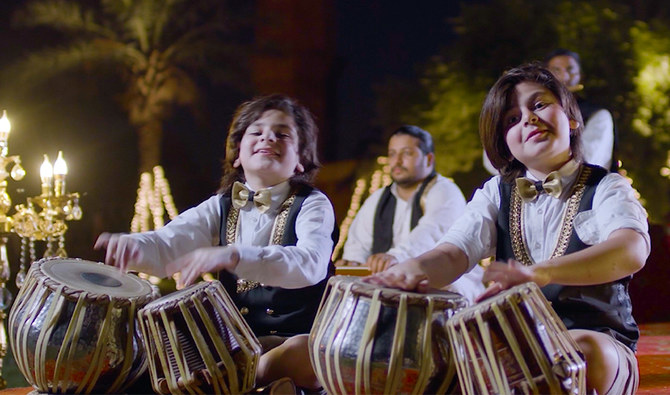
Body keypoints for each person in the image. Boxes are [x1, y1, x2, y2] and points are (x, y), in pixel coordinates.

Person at [367, 63, 649, 394]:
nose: (528, 118)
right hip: (515, 348)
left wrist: (541, 273)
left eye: (539, 104)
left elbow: (631, 249)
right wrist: (410, 271)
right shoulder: (495, 193)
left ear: (572, 120)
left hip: (598, 342)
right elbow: (454, 252)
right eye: (512, 119)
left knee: (583, 351)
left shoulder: (606, 186)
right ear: (505, 144)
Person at [94, 94, 335, 392]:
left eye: (282, 134)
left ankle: (243, 377)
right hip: (233, 344)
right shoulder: (219, 206)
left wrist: (232, 255)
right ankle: (246, 379)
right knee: (148, 345)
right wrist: (133, 247)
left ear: (300, 160)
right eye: (256, 132)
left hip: (295, 340)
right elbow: (168, 243)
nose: (268, 138)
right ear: (237, 155)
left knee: (311, 355)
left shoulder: (313, 205)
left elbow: (310, 265)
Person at [336, 125, 484, 303]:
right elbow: (358, 244)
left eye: (406, 153)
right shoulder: (377, 199)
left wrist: (396, 258)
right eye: (392, 154)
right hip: (388, 287)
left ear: (429, 159)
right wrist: (352, 263)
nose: (397, 161)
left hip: (448, 286)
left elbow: (431, 232)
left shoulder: (445, 190)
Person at [545, 48, 617, 172]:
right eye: (556, 71)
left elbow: (588, 161)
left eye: (570, 70)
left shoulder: (598, 115)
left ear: (581, 76)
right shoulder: (536, 113)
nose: (564, 77)